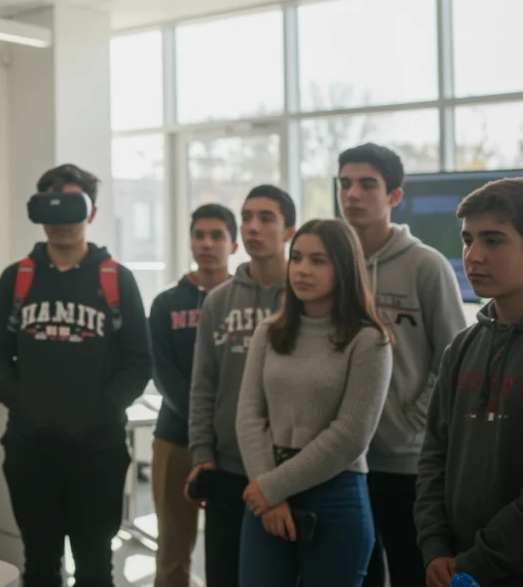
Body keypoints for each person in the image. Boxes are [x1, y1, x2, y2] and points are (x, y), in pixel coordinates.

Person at [0, 163, 152, 587]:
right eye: (51, 210)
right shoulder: (17, 278)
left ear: (91, 213)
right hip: (30, 452)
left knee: (95, 567)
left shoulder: (116, 279)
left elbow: (138, 361)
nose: (60, 223)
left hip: (98, 454)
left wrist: (104, 408)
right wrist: (21, 402)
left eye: (72, 209)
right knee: (39, 566)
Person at [236, 219, 393, 586]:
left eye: (319, 260)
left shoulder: (370, 340)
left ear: (345, 268)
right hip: (265, 487)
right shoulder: (268, 332)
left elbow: (351, 435)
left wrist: (273, 488)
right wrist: (269, 493)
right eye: (298, 258)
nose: (303, 269)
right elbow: (248, 415)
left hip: (334, 494)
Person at [415, 177, 523, 587]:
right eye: (467, 239)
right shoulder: (462, 346)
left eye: (493, 241)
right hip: (455, 565)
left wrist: (477, 561)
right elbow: (432, 459)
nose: (472, 256)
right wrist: (435, 547)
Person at [337, 143, 466, 587]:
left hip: (408, 462)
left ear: (394, 195)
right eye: (345, 183)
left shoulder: (426, 265)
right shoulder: (329, 263)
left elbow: (452, 358)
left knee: (412, 572)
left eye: (366, 184)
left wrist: (413, 420)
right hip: (343, 461)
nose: (352, 193)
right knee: (359, 575)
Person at [187, 185, 297, 587]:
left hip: (292, 468)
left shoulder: (308, 295)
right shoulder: (218, 301)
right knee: (225, 576)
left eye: (266, 218)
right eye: (247, 217)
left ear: (289, 231)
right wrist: (201, 453)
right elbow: (203, 385)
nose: (253, 227)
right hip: (229, 466)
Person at [148, 203, 238, 587]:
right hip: (176, 439)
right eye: (199, 235)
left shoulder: (247, 301)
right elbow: (163, 373)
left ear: (233, 244)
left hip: (238, 446)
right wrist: (204, 425)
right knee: (173, 550)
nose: (207, 243)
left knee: (233, 549)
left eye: (217, 235)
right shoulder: (167, 303)